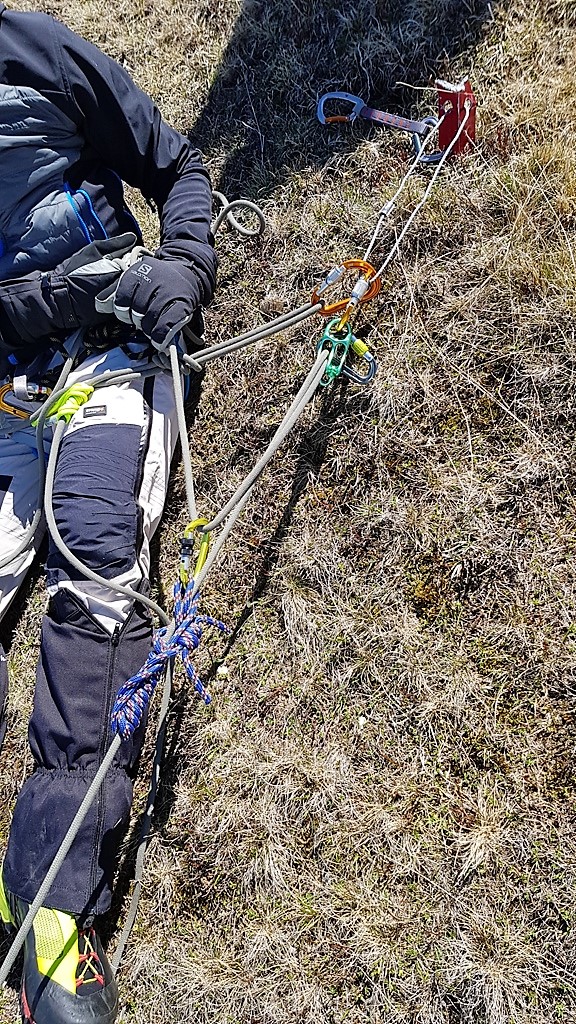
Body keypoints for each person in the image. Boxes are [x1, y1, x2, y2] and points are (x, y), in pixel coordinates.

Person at [0, 5, 217, 1022]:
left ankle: (49, 904)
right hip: (9, 385)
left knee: (95, 573)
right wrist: (49, 302)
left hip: (109, 362)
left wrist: (185, 265)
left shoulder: (37, 52)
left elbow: (178, 170)